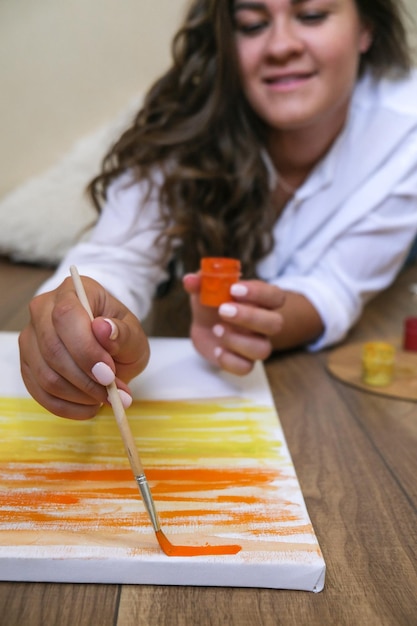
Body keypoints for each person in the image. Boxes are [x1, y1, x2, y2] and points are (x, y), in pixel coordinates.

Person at [19, 0, 417, 420]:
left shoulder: (406, 132)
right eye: (251, 24)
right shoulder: (188, 115)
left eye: (312, 15)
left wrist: (243, 321)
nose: (280, 45)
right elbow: (116, 255)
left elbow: (335, 288)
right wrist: (74, 321)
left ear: (366, 28)